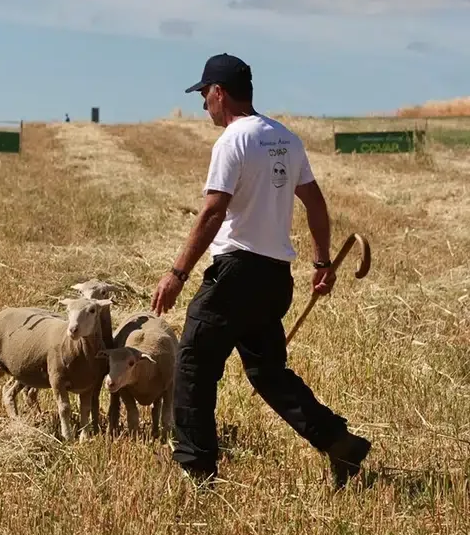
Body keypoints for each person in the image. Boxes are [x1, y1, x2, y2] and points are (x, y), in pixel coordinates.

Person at [150, 52, 371, 490]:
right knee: (269, 374)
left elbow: (213, 213)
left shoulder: (232, 141)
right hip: (274, 279)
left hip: (235, 273)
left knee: (193, 364)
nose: (202, 105)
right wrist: (321, 261)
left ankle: (196, 470)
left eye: (205, 95)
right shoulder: (285, 138)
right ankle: (341, 445)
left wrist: (177, 273)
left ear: (220, 93)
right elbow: (315, 202)